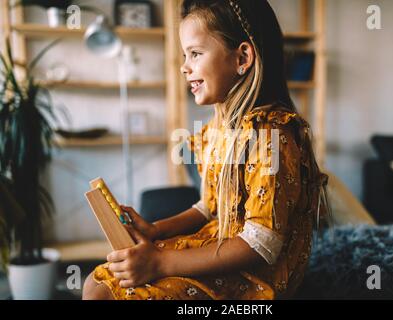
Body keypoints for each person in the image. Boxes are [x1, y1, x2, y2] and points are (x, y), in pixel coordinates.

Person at [82, 0, 330, 300]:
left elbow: (261, 244)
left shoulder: (271, 135)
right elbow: (209, 207)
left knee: (113, 294)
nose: (185, 67)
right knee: (96, 283)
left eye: (195, 54)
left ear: (242, 58)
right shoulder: (216, 130)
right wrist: (155, 231)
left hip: (256, 274)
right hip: (221, 245)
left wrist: (159, 262)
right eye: (185, 55)